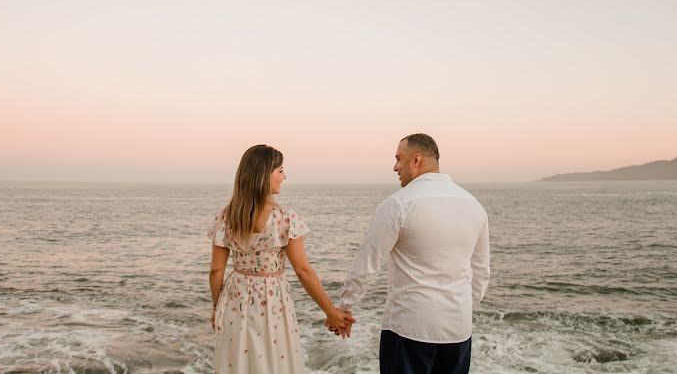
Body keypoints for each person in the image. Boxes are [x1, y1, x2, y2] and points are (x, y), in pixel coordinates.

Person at [332, 133, 490, 374]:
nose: (395, 166)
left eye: (398, 159)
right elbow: (481, 271)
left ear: (416, 160)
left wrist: (345, 305)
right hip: (458, 331)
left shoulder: (398, 204)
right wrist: (462, 309)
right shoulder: (474, 206)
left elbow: (368, 262)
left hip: (409, 328)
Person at [207, 144, 355, 374]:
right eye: (280, 170)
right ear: (264, 175)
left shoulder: (226, 217)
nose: (284, 176)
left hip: (235, 299)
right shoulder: (284, 218)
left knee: (238, 362)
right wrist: (331, 312)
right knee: (274, 360)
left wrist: (217, 307)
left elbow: (216, 271)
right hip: (272, 298)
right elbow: (303, 270)